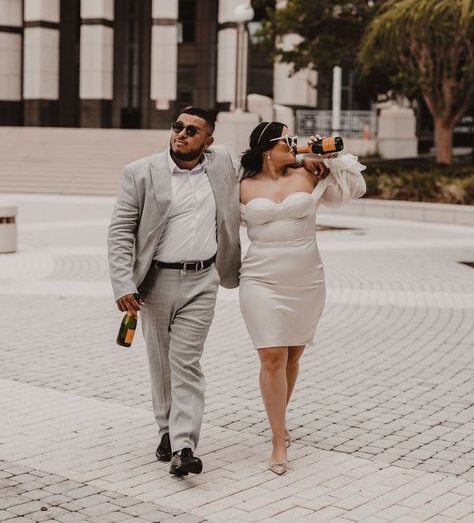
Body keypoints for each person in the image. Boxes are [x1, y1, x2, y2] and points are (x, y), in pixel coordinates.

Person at [107, 107, 241, 477]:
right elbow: (120, 231)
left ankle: (184, 445)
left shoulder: (221, 164)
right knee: (161, 362)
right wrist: (123, 283)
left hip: (203, 280)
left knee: (186, 362)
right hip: (155, 282)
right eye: (178, 127)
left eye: (193, 130)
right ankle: (165, 430)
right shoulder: (141, 172)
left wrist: (310, 164)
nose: (182, 134)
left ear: (208, 141)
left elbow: (260, 166)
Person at [239, 121, 366, 475]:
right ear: (268, 148)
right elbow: (218, 225)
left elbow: (354, 189)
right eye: (288, 140)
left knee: (293, 356)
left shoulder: (311, 173)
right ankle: (278, 441)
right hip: (260, 278)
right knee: (273, 356)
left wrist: (332, 158)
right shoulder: (240, 184)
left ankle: (280, 420)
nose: (294, 145)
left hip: (306, 278)